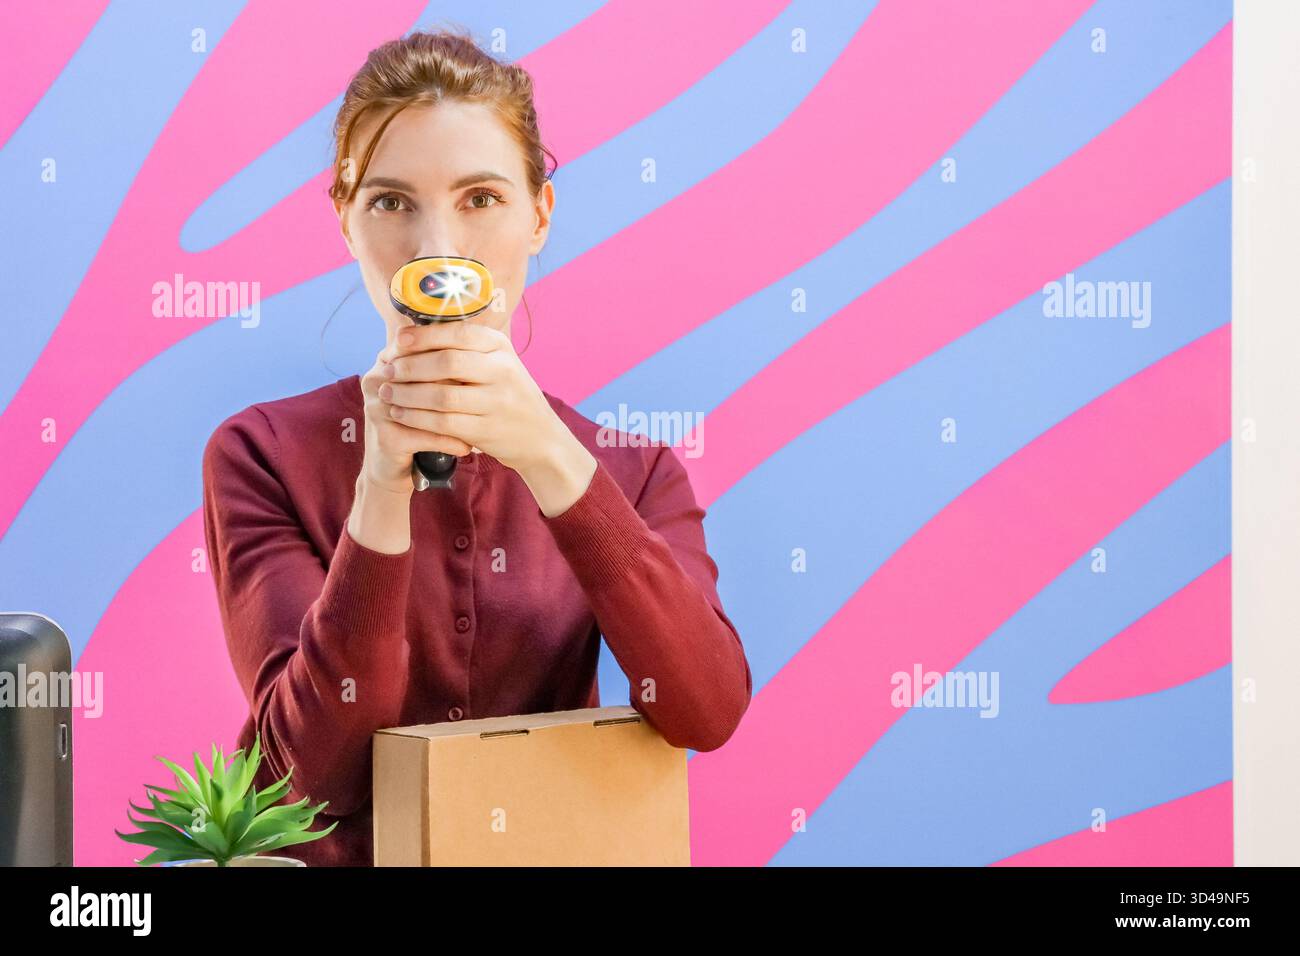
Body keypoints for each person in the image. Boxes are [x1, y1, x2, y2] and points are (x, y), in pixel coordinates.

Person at [201, 27, 752, 866]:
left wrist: (550, 459)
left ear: (539, 214)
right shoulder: (262, 454)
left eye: (481, 199)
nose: (438, 252)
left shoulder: (636, 473)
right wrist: (380, 487)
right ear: (344, 220)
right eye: (390, 202)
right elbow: (303, 784)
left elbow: (704, 711)